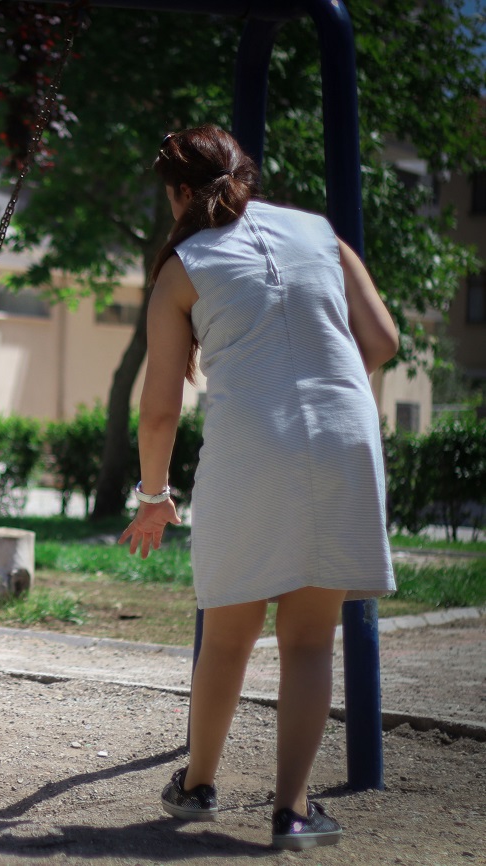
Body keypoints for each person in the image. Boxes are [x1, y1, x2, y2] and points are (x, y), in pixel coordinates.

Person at [118, 125, 399, 851]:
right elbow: (382, 341)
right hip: (344, 436)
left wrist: (154, 497)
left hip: (252, 443)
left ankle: (199, 783)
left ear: (180, 192)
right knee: (309, 642)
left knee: (229, 633)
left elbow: (160, 407)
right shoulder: (318, 232)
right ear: (249, 173)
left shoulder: (183, 266)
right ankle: (295, 811)